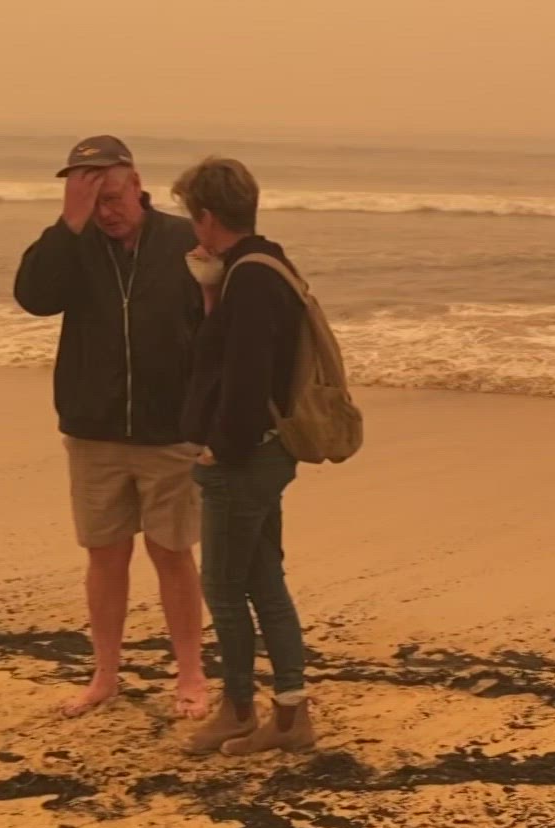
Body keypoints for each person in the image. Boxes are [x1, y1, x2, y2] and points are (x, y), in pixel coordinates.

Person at [13, 136, 210, 720]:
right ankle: (104, 675)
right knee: (105, 555)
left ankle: (191, 675)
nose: (106, 211)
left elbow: (217, 327)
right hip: (93, 428)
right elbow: (33, 297)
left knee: (172, 553)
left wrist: (211, 417)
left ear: (137, 184)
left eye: (113, 197)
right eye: (92, 200)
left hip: (171, 430)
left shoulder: (184, 240)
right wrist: (67, 224)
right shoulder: (71, 245)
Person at [172, 157, 316, 756]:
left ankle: (237, 710)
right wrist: (210, 289)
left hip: (244, 458)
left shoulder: (252, 279)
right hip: (266, 453)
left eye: (193, 217)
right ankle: (289, 715)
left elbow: (245, 378)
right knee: (263, 581)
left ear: (207, 217)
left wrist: (218, 451)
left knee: (226, 588)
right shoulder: (261, 264)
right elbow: (229, 354)